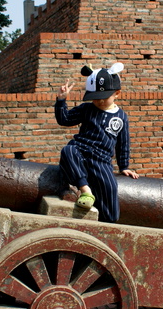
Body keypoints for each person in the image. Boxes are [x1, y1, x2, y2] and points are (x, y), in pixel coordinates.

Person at [55, 62, 139, 223]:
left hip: (101, 161)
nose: (99, 102)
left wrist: (124, 167)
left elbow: (123, 144)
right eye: (95, 98)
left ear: (117, 93)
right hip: (80, 151)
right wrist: (61, 101)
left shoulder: (121, 117)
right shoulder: (87, 109)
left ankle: (107, 222)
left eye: (104, 97)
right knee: (67, 151)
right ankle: (85, 190)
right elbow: (64, 119)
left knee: (110, 192)